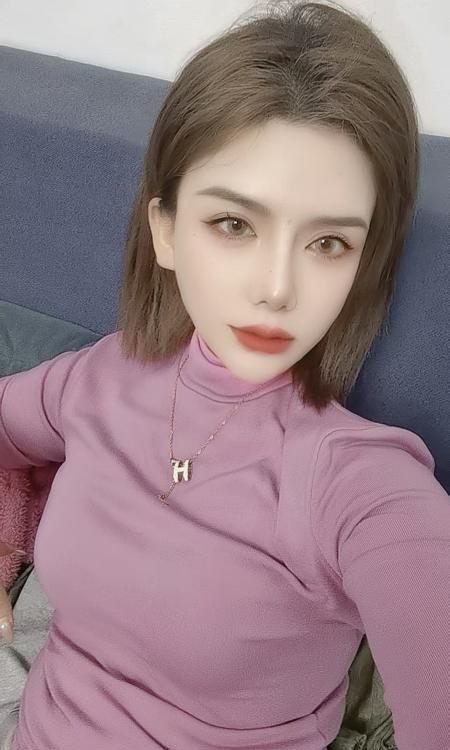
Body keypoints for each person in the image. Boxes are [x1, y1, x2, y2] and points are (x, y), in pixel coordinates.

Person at [0, 1, 449, 749]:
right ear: (166, 232)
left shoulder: (363, 488)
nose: (276, 289)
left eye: (329, 243)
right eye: (234, 225)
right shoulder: (105, 376)